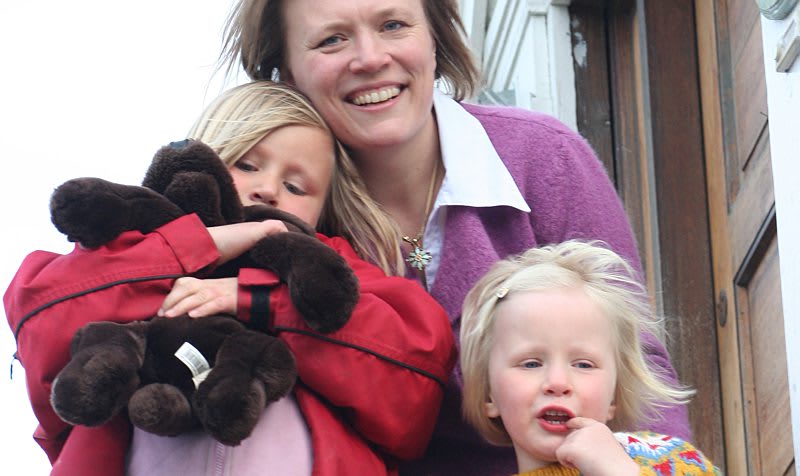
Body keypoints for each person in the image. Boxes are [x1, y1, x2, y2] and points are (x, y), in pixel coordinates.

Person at [220, 0, 691, 473]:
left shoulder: (546, 158)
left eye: (393, 25)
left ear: (435, 36)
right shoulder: (279, 213)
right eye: (331, 40)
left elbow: (640, 369)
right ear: (286, 72)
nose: (370, 57)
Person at [4, 81, 455, 476]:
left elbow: (415, 377)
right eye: (247, 164)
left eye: (296, 187)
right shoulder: (127, 247)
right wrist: (194, 247)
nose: (268, 189)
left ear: (324, 211)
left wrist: (264, 300)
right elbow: (39, 317)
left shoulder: (329, 266)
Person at [459, 241, 719, 475]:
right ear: (489, 394)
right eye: (531, 364)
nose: (557, 382)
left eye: (584, 364)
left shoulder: (671, 460)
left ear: (614, 395)